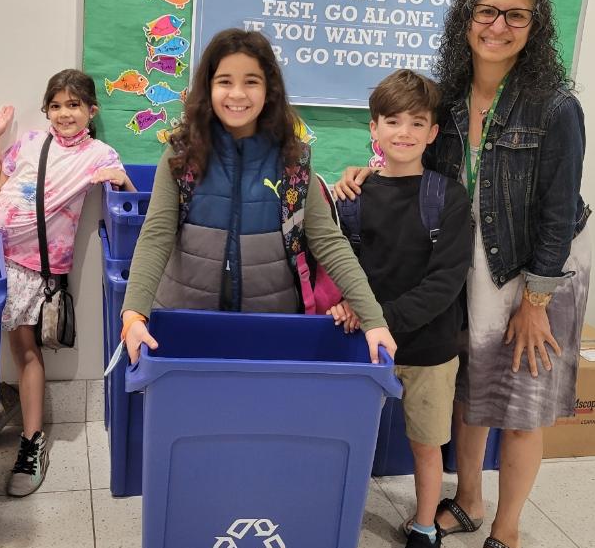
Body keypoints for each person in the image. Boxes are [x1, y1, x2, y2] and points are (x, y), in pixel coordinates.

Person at [337, 0, 591, 548]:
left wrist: (537, 299)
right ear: (466, 17)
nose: (498, 25)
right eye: (486, 11)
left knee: (521, 401)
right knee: (471, 390)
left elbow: (559, 212)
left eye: (515, 14)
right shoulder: (447, 100)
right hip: (468, 263)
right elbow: (418, 161)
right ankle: (470, 501)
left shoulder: (556, 107)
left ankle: (507, 533)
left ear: (535, 26)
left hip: (537, 269)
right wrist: (367, 171)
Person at [119, 27, 397, 371]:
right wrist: (133, 315)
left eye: (251, 81)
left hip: (269, 330)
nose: (237, 93)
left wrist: (374, 320)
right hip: (185, 325)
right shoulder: (181, 156)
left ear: (269, 90)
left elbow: (328, 241)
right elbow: (156, 236)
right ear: (208, 88)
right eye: (224, 81)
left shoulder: (293, 161)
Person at [329, 70, 471, 548]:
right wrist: (351, 304)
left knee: (426, 445)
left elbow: (444, 283)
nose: (404, 132)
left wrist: (377, 317)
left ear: (433, 132)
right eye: (393, 121)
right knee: (342, 436)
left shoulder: (448, 199)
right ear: (374, 128)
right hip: (360, 344)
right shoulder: (352, 193)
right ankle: (330, 511)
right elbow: (339, 260)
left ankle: (425, 527)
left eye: (417, 122)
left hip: (428, 347)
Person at [0, 68, 134, 498]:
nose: (64, 113)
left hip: (34, 267)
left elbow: (131, 198)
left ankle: (32, 442)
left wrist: (117, 179)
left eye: (74, 105)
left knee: (26, 350)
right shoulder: (31, 142)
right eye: (56, 105)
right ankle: (1, 400)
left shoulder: (100, 154)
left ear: (91, 110)